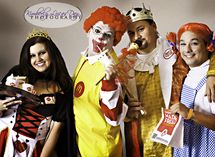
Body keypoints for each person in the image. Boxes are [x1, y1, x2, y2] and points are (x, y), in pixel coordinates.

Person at [124, 4, 215, 157]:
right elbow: (112, 104)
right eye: (131, 33)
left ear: (153, 26)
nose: (136, 37)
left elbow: (214, 49)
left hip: (178, 139)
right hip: (142, 139)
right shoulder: (123, 63)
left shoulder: (175, 50)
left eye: (141, 29)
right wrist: (126, 109)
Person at [0, 29, 77, 157]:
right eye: (32, 55)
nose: (38, 59)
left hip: (34, 150)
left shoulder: (63, 86)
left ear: (51, 53)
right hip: (4, 140)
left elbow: (55, 130)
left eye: (42, 53)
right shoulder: (17, 73)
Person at [169, 22, 215, 157]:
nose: (187, 49)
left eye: (194, 43)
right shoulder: (186, 74)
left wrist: (190, 114)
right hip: (187, 146)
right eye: (182, 44)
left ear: (208, 46)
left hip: (210, 149)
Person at [72, 6, 128, 156]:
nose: (100, 38)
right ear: (88, 31)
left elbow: (114, 117)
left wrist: (109, 82)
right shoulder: (87, 56)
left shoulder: (112, 68)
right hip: (82, 143)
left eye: (107, 35)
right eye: (97, 31)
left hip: (101, 150)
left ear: (113, 41)